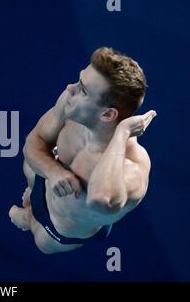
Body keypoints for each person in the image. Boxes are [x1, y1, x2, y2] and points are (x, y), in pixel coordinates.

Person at [9, 47, 156, 254]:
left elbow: (100, 198)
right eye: (79, 81)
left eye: (83, 90)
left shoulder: (132, 169)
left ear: (107, 115)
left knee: (41, 243)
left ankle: (31, 219)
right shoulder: (74, 108)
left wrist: (121, 134)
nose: (70, 88)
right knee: (31, 167)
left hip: (62, 227)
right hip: (49, 182)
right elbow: (35, 141)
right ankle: (34, 196)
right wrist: (53, 171)